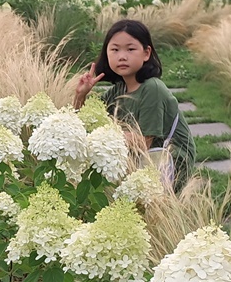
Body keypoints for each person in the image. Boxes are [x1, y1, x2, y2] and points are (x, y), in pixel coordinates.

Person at [74, 19, 196, 191]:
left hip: (169, 163)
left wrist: (103, 135)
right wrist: (81, 95)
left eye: (130, 49)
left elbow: (143, 142)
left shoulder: (152, 89)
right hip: (141, 163)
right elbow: (86, 121)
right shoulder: (119, 89)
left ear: (146, 53)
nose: (122, 56)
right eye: (115, 49)